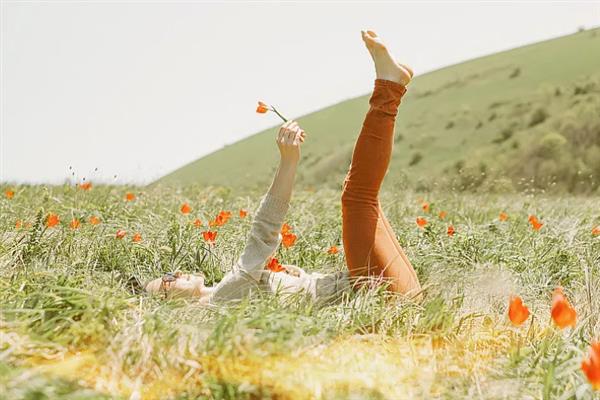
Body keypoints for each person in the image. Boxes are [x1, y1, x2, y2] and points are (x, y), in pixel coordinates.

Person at [145, 30, 422, 305]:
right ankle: (389, 87)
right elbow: (264, 230)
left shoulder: (230, 293)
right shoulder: (222, 297)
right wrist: (288, 161)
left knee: (361, 196)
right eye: (169, 279)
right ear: (173, 301)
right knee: (358, 196)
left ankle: (392, 86)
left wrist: (294, 277)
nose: (177, 273)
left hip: (389, 290)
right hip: (382, 292)